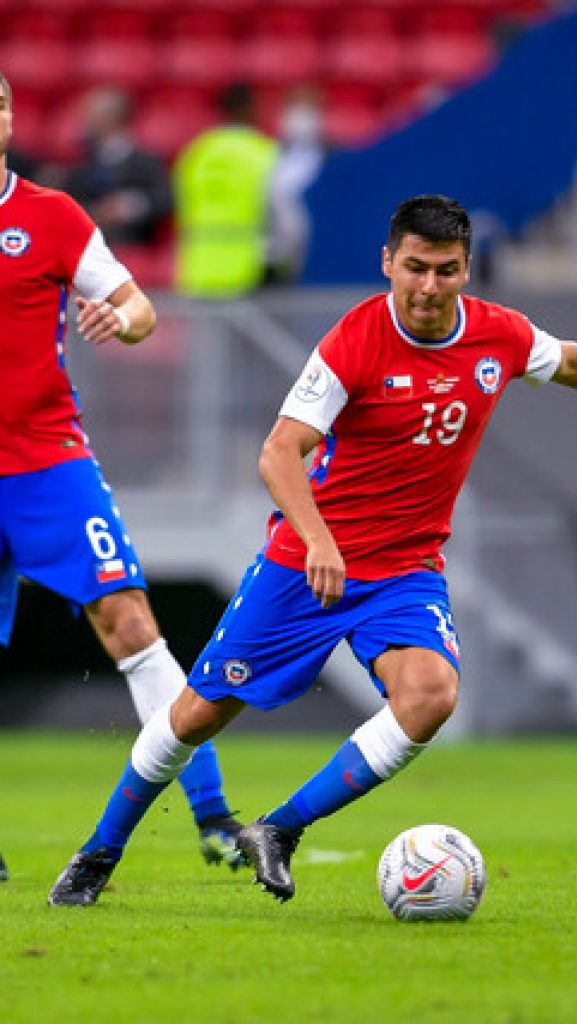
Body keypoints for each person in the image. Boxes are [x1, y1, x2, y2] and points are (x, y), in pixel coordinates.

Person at [48, 193, 577, 907]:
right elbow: (281, 454)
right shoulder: (357, 339)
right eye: (414, 268)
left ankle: (279, 829)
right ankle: (98, 852)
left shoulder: (497, 336)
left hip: (406, 570)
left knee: (430, 696)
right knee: (194, 717)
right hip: (304, 566)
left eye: (446, 270)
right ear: (388, 262)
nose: (429, 287)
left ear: (468, 270)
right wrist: (317, 540)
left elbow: (572, 362)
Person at [0, 73, 242, 874]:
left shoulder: (52, 215)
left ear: (9, 118)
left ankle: (211, 815)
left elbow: (139, 307)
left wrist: (120, 318)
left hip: (46, 460)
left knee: (129, 619)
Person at [172, 83, 279, 297]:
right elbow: (279, 212)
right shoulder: (263, 152)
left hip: (199, 270)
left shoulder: (197, 153)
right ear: (250, 109)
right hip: (249, 270)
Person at [64, 86, 172, 247]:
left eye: (92, 116)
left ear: (111, 119)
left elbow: (166, 199)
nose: (86, 122)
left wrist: (129, 206)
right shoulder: (82, 161)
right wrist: (97, 211)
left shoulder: (145, 162)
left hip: (135, 246)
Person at [266, 85, 326, 283]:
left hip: (320, 260)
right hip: (279, 261)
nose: (301, 118)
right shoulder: (269, 158)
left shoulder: (335, 157)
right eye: (295, 109)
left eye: (308, 110)